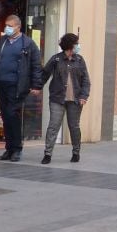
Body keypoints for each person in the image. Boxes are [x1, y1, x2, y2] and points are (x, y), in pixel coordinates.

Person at [0, 15, 42, 162]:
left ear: (18, 27)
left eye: (10, 26)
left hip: (17, 86)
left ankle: (16, 149)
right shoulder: (2, 42)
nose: (7, 28)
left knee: (12, 114)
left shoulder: (28, 44)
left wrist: (36, 85)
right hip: (1, 84)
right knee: (5, 116)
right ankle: (9, 149)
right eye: (6, 25)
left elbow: (36, 66)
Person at [40, 33, 90, 164]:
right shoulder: (56, 59)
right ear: (70, 45)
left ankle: (76, 152)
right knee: (53, 126)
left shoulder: (79, 60)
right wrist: (36, 87)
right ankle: (47, 154)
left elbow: (86, 80)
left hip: (75, 100)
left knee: (74, 126)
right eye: (76, 43)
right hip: (57, 99)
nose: (78, 46)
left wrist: (84, 96)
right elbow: (44, 74)